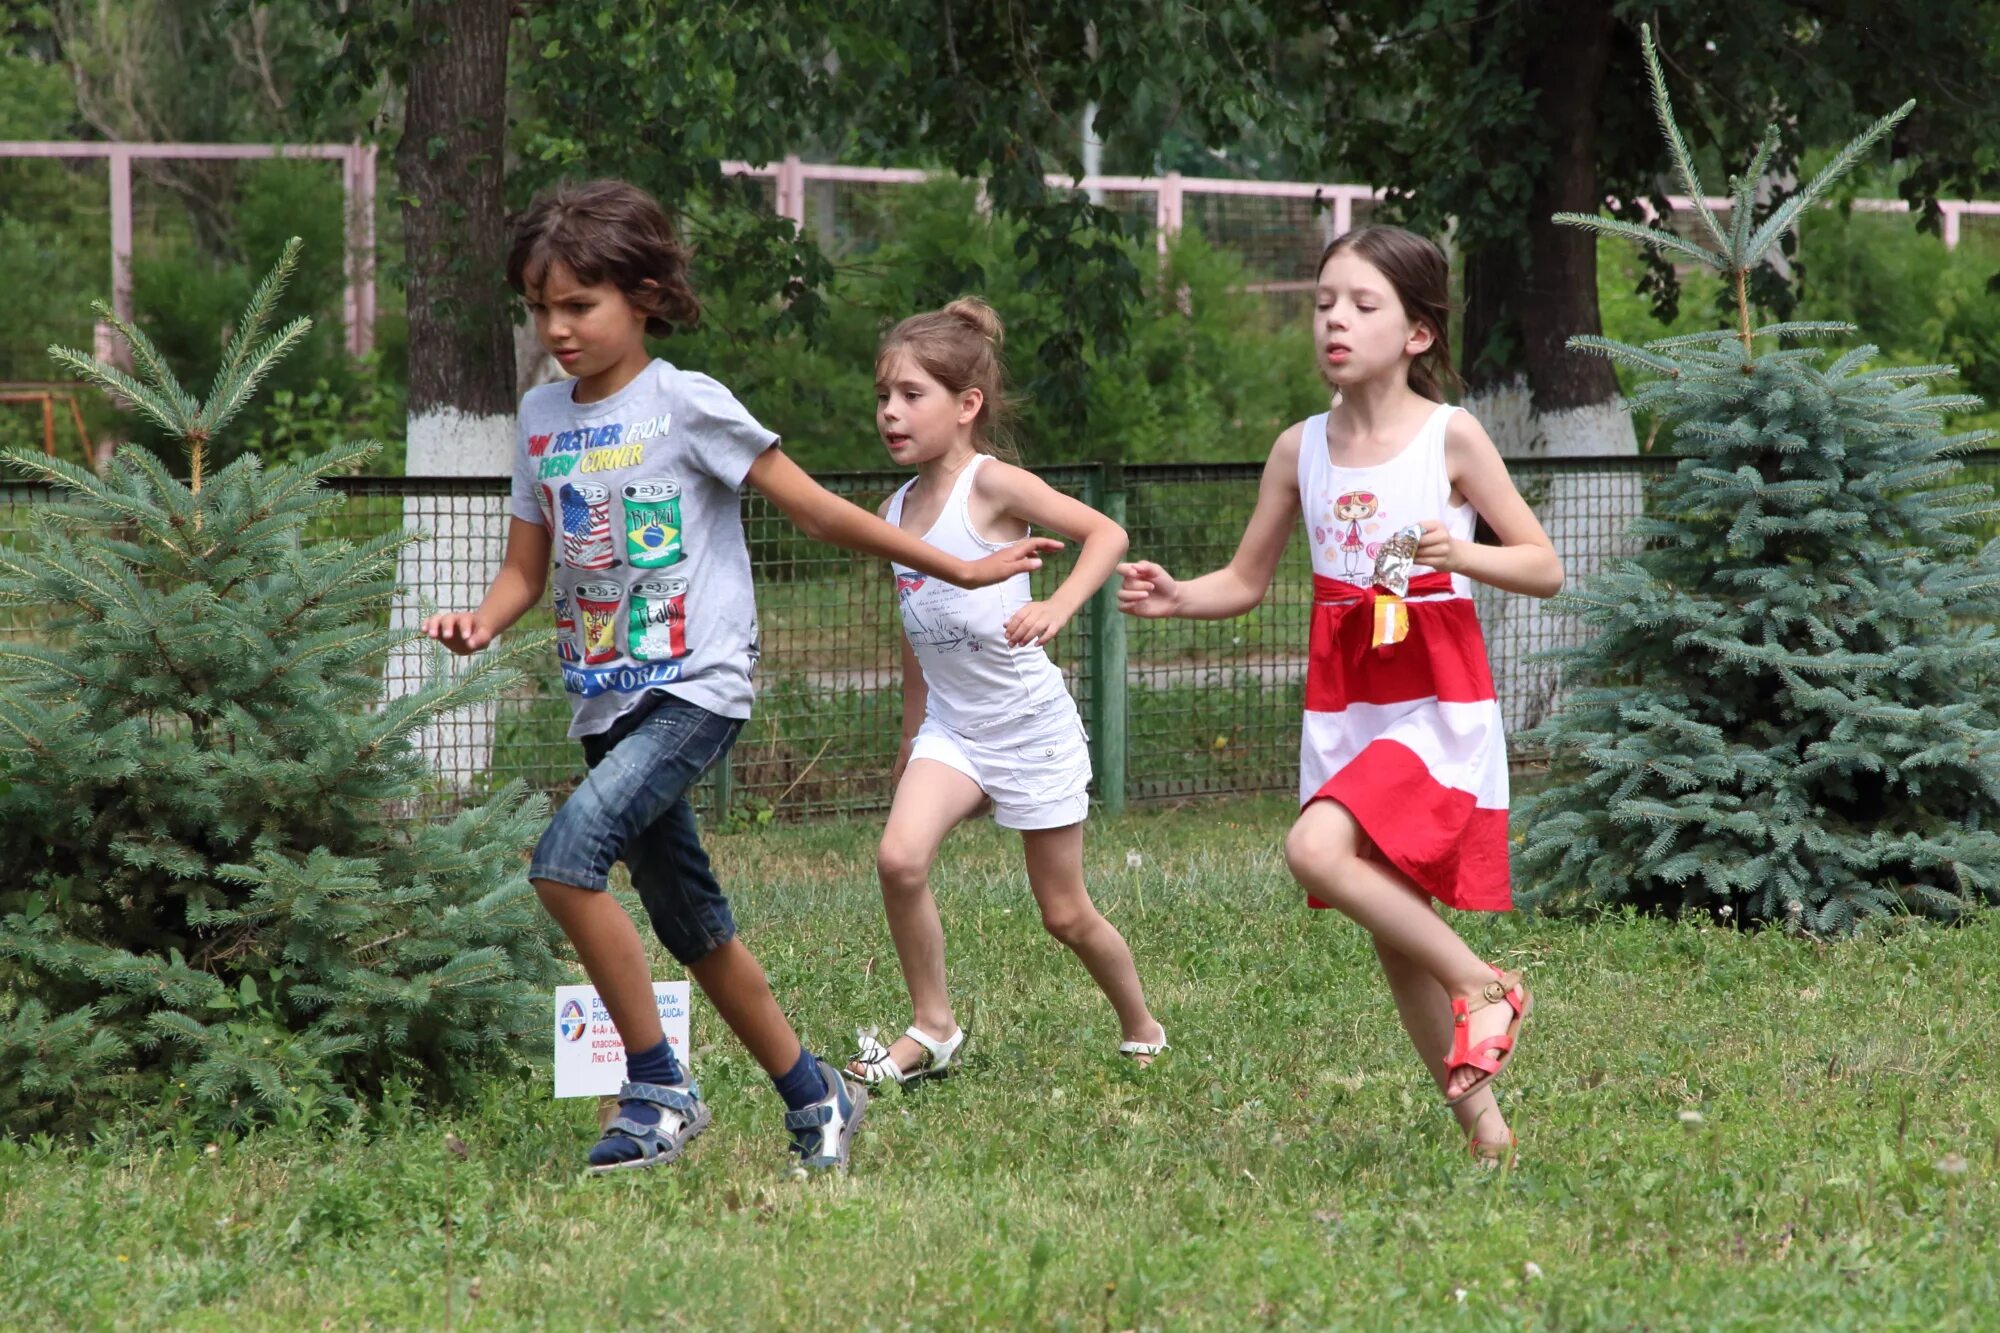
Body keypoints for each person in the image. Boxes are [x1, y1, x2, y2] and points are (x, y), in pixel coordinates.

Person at [423, 180, 1058, 1174]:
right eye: (540, 307)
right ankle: (818, 1096)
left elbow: (816, 510)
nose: (556, 328)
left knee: (563, 859)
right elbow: (522, 570)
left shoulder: (686, 401)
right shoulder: (540, 416)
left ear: (642, 296)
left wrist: (963, 564)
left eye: (578, 305)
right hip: (603, 702)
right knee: (694, 927)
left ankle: (656, 1087)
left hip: (694, 690)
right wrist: (481, 620)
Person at [1116, 227, 1564, 1162]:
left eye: (1364, 304)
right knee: (1394, 936)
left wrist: (1460, 551)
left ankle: (1487, 984)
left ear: (1417, 334)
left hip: (1434, 698)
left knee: (1314, 848)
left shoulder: (1452, 436)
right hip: (1347, 701)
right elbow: (1245, 580)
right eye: (1325, 301)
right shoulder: (1298, 449)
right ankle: (1486, 1133)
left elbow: (1543, 566)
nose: (1335, 319)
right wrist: (1179, 596)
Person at [846, 298, 1168, 1086]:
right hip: (953, 730)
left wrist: (1059, 604)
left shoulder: (990, 484)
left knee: (1064, 914)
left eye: (911, 395)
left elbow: (1108, 534)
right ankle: (934, 1027)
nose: (891, 412)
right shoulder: (893, 512)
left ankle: (1143, 1024)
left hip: (1030, 729)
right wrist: (912, 732)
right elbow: (917, 633)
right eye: (883, 395)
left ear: (966, 406)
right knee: (898, 858)